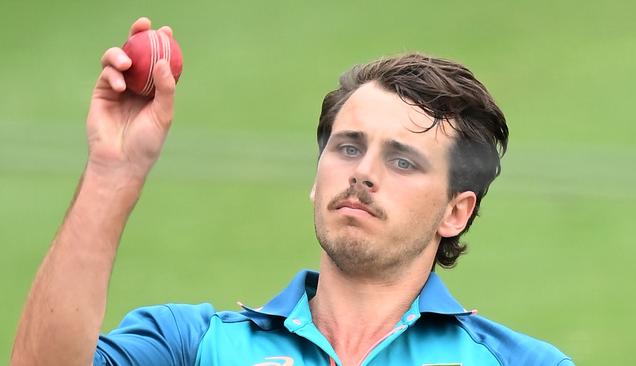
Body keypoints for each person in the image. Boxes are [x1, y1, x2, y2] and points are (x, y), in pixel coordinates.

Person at [11, 18, 574, 366]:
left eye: (402, 160)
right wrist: (114, 169)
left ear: (456, 212)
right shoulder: (192, 346)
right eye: (348, 147)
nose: (363, 173)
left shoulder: (520, 363)